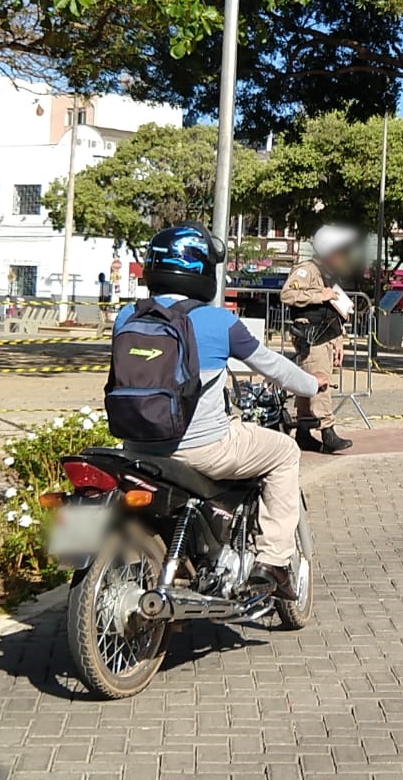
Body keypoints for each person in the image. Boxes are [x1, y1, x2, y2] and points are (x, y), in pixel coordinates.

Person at [115, 223, 329, 600]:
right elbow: (271, 365)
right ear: (201, 270)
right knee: (284, 453)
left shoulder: (126, 317)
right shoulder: (218, 321)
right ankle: (274, 562)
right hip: (202, 448)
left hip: (135, 447)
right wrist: (313, 384)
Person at [281, 225, 359, 454]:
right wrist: (318, 295)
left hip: (325, 336)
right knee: (320, 383)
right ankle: (328, 431)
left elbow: (334, 312)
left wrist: (339, 341)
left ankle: (304, 433)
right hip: (311, 336)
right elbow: (287, 294)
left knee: (308, 386)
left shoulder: (327, 274)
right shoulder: (307, 270)